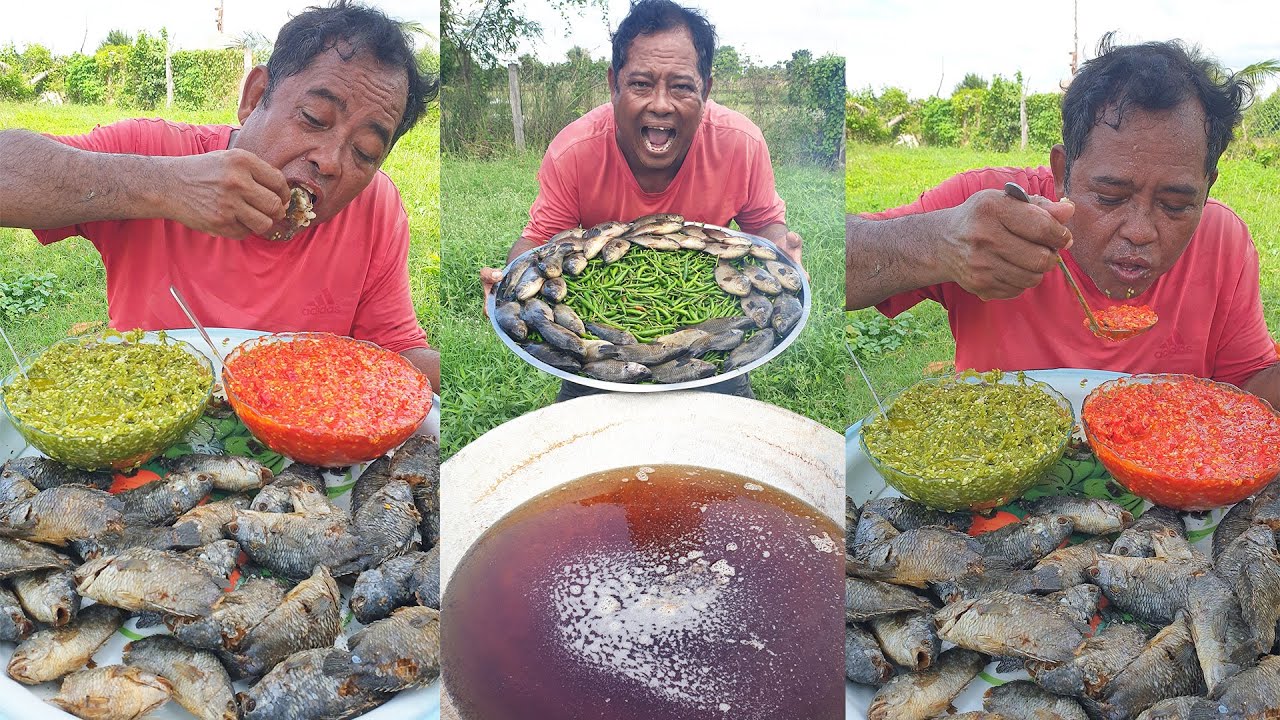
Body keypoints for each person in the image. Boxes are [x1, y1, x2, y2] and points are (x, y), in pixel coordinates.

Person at [0, 1, 440, 393]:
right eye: (314, 118)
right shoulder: (154, 153)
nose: (330, 162)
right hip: (144, 421)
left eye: (364, 152)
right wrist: (164, 186)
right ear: (254, 97)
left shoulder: (375, 208)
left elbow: (395, 351)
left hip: (295, 450)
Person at [845, 35, 1279, 408]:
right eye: (1110, 197)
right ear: (1062, 171)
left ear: (1207, 187)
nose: (1141, 231)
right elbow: (830, 270)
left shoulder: (1222, 240)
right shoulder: (987, 211)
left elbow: (1250, 381)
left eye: (1176, 205)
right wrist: (938, 242)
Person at [480, 0, 803, 401]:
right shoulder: (575, 151)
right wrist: (508, 277)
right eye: (640, 84)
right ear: (614, 84)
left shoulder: (740, 143)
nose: (661, 104)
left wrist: (783, 247)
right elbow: (541, 242)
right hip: (601, 347)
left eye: (682, 86)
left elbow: (764, 229)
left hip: (712, 336)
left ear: (707, 88)